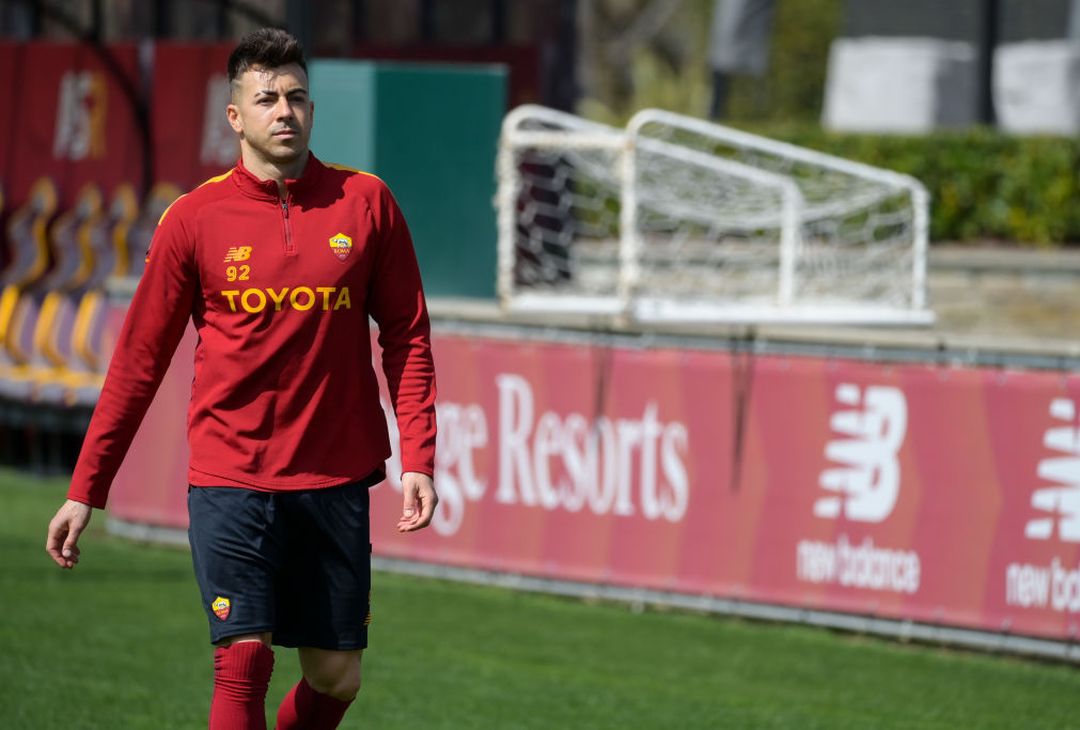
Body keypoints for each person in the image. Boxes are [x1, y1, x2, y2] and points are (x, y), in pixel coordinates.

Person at [45, 27, 438, 730]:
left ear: (311, 108)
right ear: (236, 116)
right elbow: (139, 362)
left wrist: (420, 456)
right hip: (231, 476)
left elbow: (407, 335)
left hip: (333, 478)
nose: (283, 110)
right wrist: (86, 488)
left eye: (295, 97)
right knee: (245, 658)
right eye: (266, 98)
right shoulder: (192, 220)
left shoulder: (367, 203)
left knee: (337, 676)